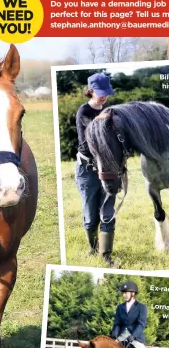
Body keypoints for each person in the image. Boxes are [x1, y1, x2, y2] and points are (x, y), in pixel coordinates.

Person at [75, 73, 116, 266]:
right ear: (90, 90)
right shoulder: (83, 112)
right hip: (88, 169)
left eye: (106, 93)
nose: (104, 97)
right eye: (100, 93)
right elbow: (88, 141)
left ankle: (105, 255)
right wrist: (101, 119)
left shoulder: (110, 109)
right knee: (91, 217)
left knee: (107, 212)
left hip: (109, 167)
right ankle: (92, 247)